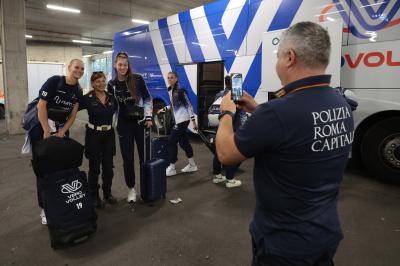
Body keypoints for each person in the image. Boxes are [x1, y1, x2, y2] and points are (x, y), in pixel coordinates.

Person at [216, 22, 354, 265]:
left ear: (290, 57)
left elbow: (226, 154)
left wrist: (226, 113)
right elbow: (299, 134)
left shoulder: (278, 113)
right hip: (326, 234)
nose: (277, 62)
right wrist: (257, 111)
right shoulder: (339, 102)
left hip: (284, 246)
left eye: (278, 56)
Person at [29, 59, 84, 225]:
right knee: (44, 170)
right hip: (41, 130)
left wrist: (62, 131)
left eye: (82, 69)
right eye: (76, 67)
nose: (79, 71)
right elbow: (41, 106)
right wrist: (47, 130)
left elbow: (73, 114)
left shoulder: (78, 90)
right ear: (69, 68)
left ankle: (59, 202)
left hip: (61, 132)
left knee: (60, 167)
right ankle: (44, 209)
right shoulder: (55, 81)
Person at [107, 52, 153, 203]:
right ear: (115, 65)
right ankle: (131, 189)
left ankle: (147, 188)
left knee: (144, 158)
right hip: (123, 127)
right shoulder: (111, 84)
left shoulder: (137, 79)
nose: (123, 67)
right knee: (128, 160)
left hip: (140, 124)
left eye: (125, 65)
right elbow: (111, 106)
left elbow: (147, 98)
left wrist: (148, 117)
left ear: (128, 66)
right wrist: (109, 122)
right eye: (120, 64)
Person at [80, 72, 118, 208]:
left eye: (103, 81)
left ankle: (107, 193)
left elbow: (119, 113)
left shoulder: (112, 98)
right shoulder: (87, 98)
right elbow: (72, 109)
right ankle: (94, 196)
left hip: (108, 135)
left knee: (108, 167)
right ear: (93, 83)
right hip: (93, 135)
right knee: (94, 167)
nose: (101, 84)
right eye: (97, 82)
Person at [157, 71, 198, 177]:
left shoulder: (181, 90)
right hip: (178, 120)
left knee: (171, 141)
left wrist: (193, 122)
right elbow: (172, 105)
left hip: (183, 120)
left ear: (176, 78)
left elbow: (189, 105)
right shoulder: (171, 90)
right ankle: (192, 164)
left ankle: (172, 166)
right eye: (168, 78)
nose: (170, 79)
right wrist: (163, 109)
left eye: (172, 78)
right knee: (184, 142)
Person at [211, 75, 247, 188]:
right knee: (234, 154)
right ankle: (230, 179)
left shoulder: (219, 94)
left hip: (221, 127)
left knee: (218, 152)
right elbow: (240, 113)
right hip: (233, 128)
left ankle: (217, 176)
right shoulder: (236, 94)